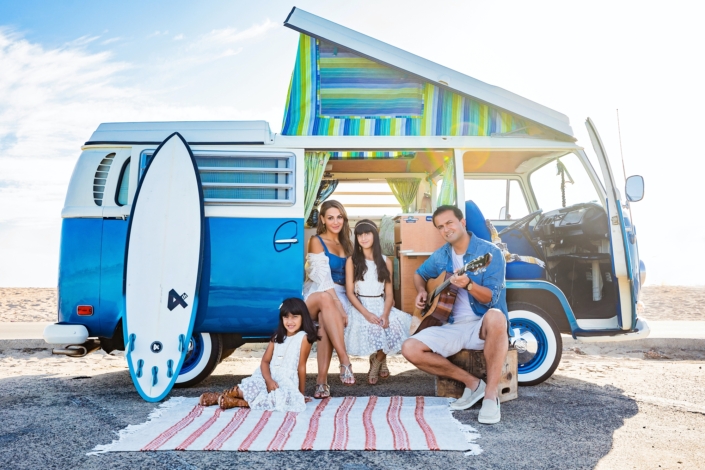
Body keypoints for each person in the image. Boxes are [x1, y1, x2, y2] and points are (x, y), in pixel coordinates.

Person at [401, 205, 508, 425]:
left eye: (449, 223)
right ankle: (473, 384)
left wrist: (469, 285)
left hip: (482, 325)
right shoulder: (442, 254)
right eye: (440, 226)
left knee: (497, 316)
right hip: (451, 324)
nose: (446, 229)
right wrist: (422, 291)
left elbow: (490, 298)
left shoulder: (488, 253)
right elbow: (420, 274)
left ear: (462, 222)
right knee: (409, 348)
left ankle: (490, 395)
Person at [198, 298, 318, 412]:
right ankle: (227, 395)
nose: (290, 321)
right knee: (252, 387)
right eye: (286, 317)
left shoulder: (303, 338)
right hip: (266, 375)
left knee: (282, 399)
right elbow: (265, 361)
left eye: (295, 317)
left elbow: (301, 367)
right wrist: (268, 380)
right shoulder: (277, 337)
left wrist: (300, 394)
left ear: (303, 318)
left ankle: (239, 402)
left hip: (286, 380)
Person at [344, 220, 412, 385]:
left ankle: (378, 360)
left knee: (395, 328)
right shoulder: (352, 261)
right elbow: (350, 293)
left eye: (367, 233)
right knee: (375, 329)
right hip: (361, 306)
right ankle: (380, 361)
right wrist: (367, 314)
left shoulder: (385, 261)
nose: (363, 237)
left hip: (381, 304)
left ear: (375, 236)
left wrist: (386, 314)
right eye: (360, 234)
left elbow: (389, 294)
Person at [303, 200, 355, 398]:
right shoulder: (316, 240)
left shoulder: (347, 243)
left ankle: (321, 383)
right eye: (331, 217)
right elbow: (322, 278)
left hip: (340, 294)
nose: (335, 222)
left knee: (326, 320)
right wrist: (339, 306)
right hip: (317, 293)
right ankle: (344, 360)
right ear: (323, 219)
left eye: (339, 217)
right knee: (326, 300)